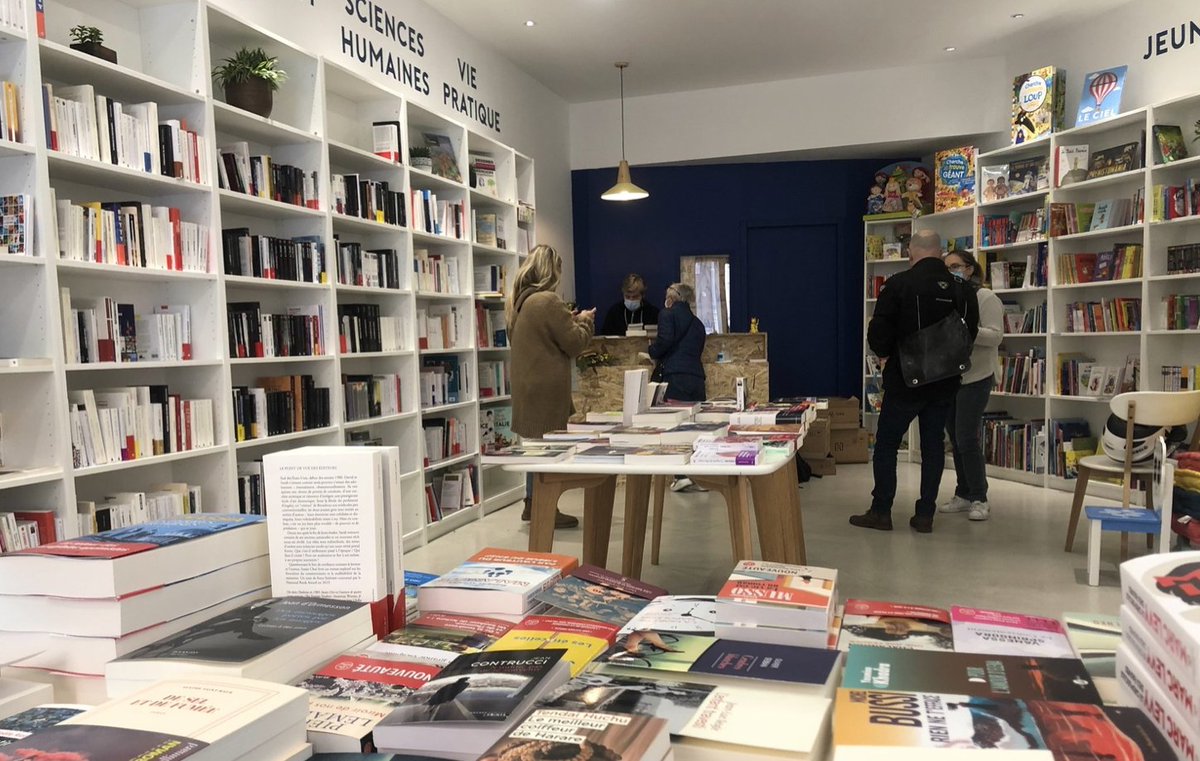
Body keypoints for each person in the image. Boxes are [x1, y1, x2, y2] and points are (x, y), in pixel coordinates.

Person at [851, 230, 978, 534]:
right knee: (933, 446)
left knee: (887, 444)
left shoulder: (898, 284)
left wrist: (884, 357)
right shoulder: (963, 288)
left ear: (911, 251)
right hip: (945, 380)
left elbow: (878, 332)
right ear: (940, 251)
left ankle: (881, 510)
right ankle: (925, 515)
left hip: (904, 380)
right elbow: (969, 334)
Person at [507, 244, 595, 529]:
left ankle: (532, 504)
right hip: (545, 390)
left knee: (534, 450)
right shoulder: (547, 300)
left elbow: (543, 336)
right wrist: (585, 323)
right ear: (551, 271)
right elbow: (573, 343)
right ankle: (545, 508)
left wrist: (572, 320)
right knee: (547, 453)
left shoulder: (519, 301)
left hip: (527, 388)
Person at [939, 250, 1003, 522]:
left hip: (977, 376)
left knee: (966, 437)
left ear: (969, 269)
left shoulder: (985, 297)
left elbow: (995, 336)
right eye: (947, 268)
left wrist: (965, 329)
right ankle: (963, 493)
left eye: (956, 266)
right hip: (950, 376)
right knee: (955, 437)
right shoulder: (945, 299)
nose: (951, 271)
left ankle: (980, 496)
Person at [648, 283, 706, 492]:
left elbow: (664, 342)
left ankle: (681, 475)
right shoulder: (698, 323)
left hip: (674, 378)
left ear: (673, 298)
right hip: (696, 379)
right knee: (696, 427)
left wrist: (650, 350)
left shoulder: (667, 314)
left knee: (674, 428)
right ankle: (699, 473)